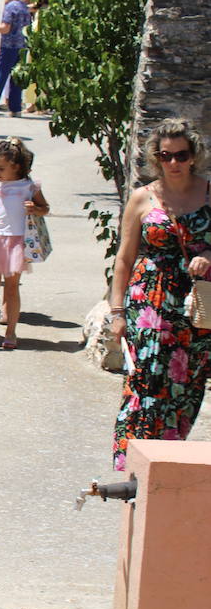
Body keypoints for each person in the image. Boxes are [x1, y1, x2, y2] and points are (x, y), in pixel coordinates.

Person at [110, 120, 211, 470]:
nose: (173, 163)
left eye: (181, 155)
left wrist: (208, 256)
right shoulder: (142, 197)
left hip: (195, 307)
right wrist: (117, 311)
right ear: (156, 157)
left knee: (184, 388)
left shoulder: (209, 193)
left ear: (193, 156)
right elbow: (124, 258)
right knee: (146, 380)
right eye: (165, 155)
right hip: (148, 305)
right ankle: (135, 464)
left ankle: (166, 465)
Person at [0, 137, 48, 349]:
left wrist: (35, 208)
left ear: (17, 166)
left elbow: (45, 208)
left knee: (11, 288)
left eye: (1, 167)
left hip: (16, 241)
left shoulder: (29, 187)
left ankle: (11, 329)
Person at [0, 0, 32, 116]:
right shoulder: (24, 6)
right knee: (16, 77)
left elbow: (5, 28)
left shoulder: (10, 7)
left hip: (8, 46)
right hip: (22, 46)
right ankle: (15, 108)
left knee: (1, 76)